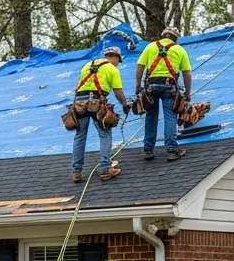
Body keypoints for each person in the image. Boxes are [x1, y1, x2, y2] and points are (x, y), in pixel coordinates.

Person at [71, 46, 131, 183]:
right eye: (118, 61)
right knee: (105, 133)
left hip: (80, 102)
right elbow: (118, 91)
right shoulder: (112, 69)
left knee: (80, 135)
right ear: (115, 58)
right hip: (96, 102)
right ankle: (105, 169)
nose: (117, 63)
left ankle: (76, 171)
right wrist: (124, 104)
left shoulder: (88, 65)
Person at [135, 26, 192, 162]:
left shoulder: (150, 47)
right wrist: (188, 93)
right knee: (170, 117)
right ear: (175, 39)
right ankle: (172, 150)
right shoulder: (179, 50)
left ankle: (148, 150)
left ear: (163, 35)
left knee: (151, 116)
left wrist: (138, 85)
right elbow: (187, 74)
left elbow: (140, 66)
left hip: (151, 87)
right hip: (169, 87)